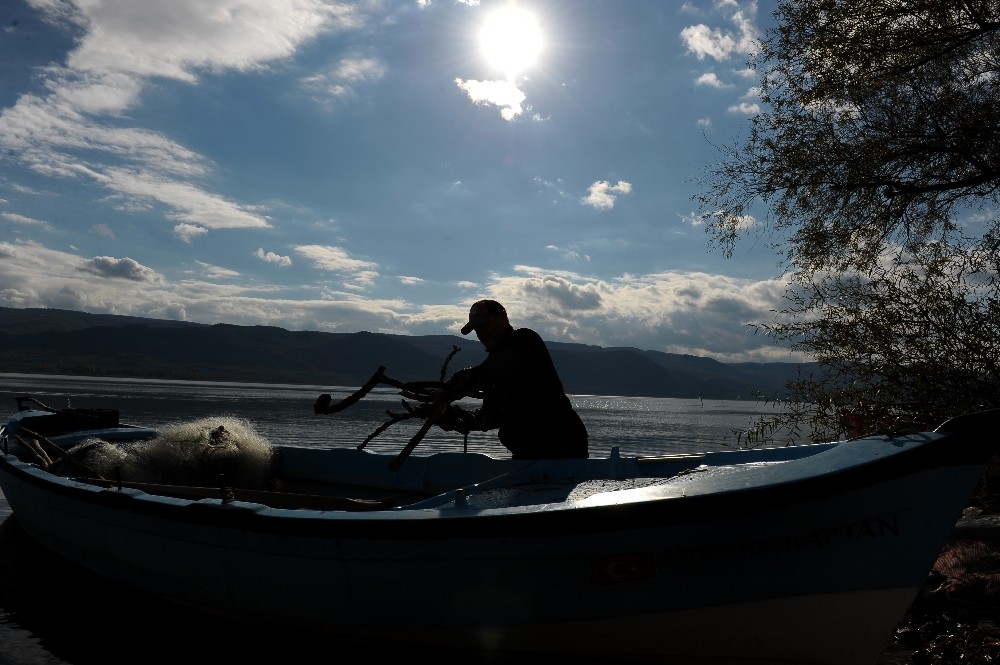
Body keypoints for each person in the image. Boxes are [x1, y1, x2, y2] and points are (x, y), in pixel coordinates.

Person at [436, 299, 589, 459]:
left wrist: (451, 387)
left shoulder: (525, 340)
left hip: (563, 449)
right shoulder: (493, 364)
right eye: (477, 329)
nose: (481, 333)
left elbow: (493, 370)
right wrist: (455, 419)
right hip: (527, 456)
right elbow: (491, 416)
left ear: (502, 319)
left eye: (484, 325)